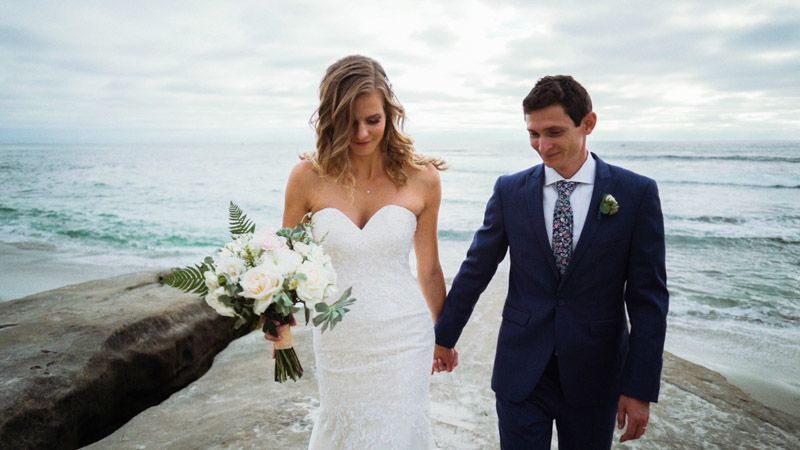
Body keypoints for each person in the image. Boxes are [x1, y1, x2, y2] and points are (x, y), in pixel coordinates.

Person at [433, 75, 668, 449]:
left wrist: (639, 388)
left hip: (596, 373)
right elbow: (478, 267)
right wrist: (443, 337)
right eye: (533, 134)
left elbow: (648, 298)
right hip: (521, 367)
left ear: (587, 124)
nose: (542, 146)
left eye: (554, 132)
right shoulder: (510, 191)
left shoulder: (636, 194)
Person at [270, 55, 449, 449]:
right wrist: (276, 320)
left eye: (373, 119)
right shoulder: (306, 177)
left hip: (405, 336)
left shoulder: (423, 178)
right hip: (339, 339)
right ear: (331, 118)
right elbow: (285, 262)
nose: (362, 132)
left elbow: (430, 268)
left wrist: (445, 334)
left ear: (390, 114)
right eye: (349, 121)